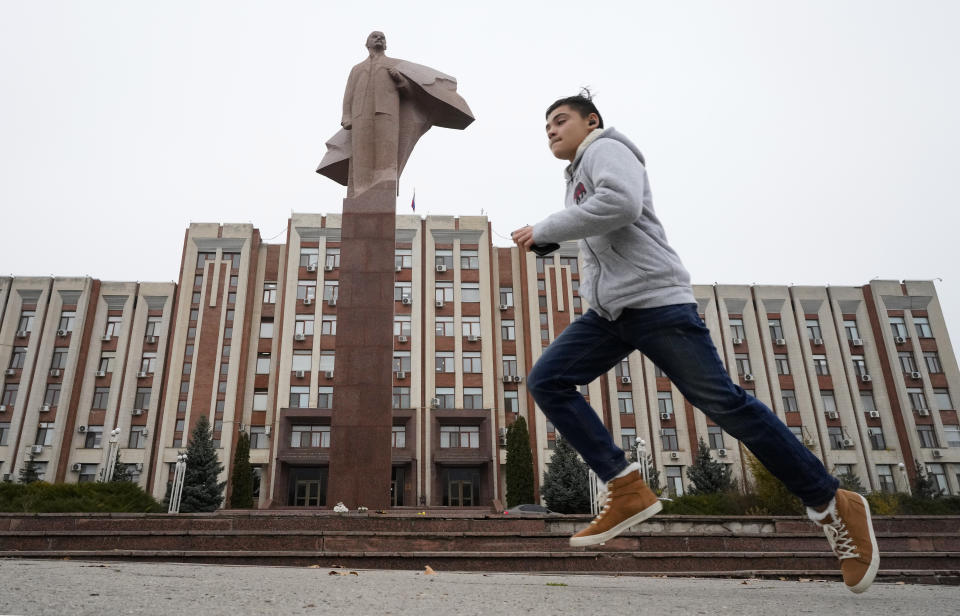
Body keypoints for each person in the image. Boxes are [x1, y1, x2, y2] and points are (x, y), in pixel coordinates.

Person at [511, 91, 879, 594]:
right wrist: (560, 239)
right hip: (612, 314)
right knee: (547, 379)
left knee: (725, 404)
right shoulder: (577, 175)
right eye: (545, 126)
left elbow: (620, 203)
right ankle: (626, 488)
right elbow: (608, 223)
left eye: (560, 120)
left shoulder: (605, 148)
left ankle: (834, 502)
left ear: (590, 121)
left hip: (657, 304)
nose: (551, 131)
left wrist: (546, 227)